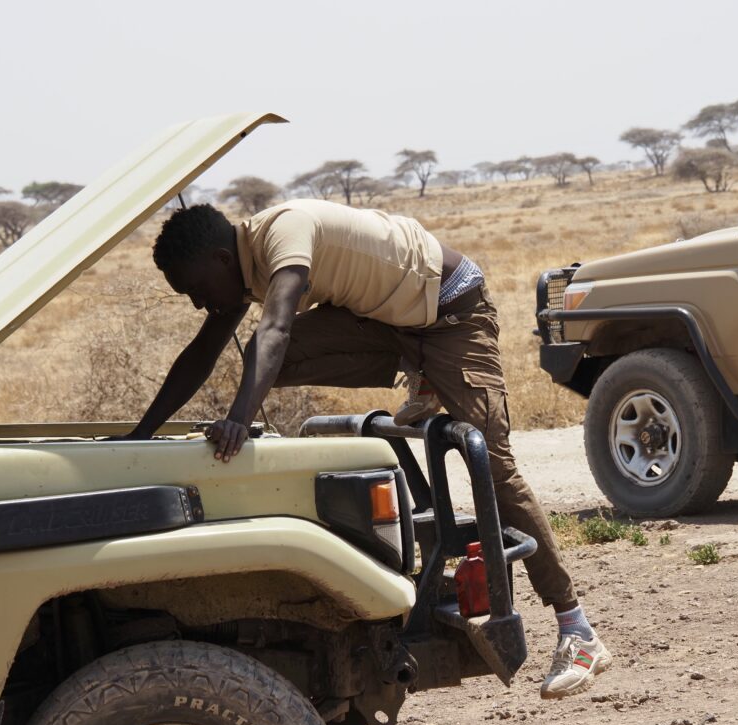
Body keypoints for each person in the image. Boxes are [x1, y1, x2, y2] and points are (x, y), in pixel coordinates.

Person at [121, 198, 611, 698]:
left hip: (452, 313)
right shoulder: (241, 270)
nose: (200, 305)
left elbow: (278, 327)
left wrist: (239, 422)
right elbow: (203, 351)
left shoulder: (282, 236)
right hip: (395, 323)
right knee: (260, 358)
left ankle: (578, 629)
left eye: (197, 291)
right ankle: (421, 372)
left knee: (492, 465)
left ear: (222, 259)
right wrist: (138, 437)